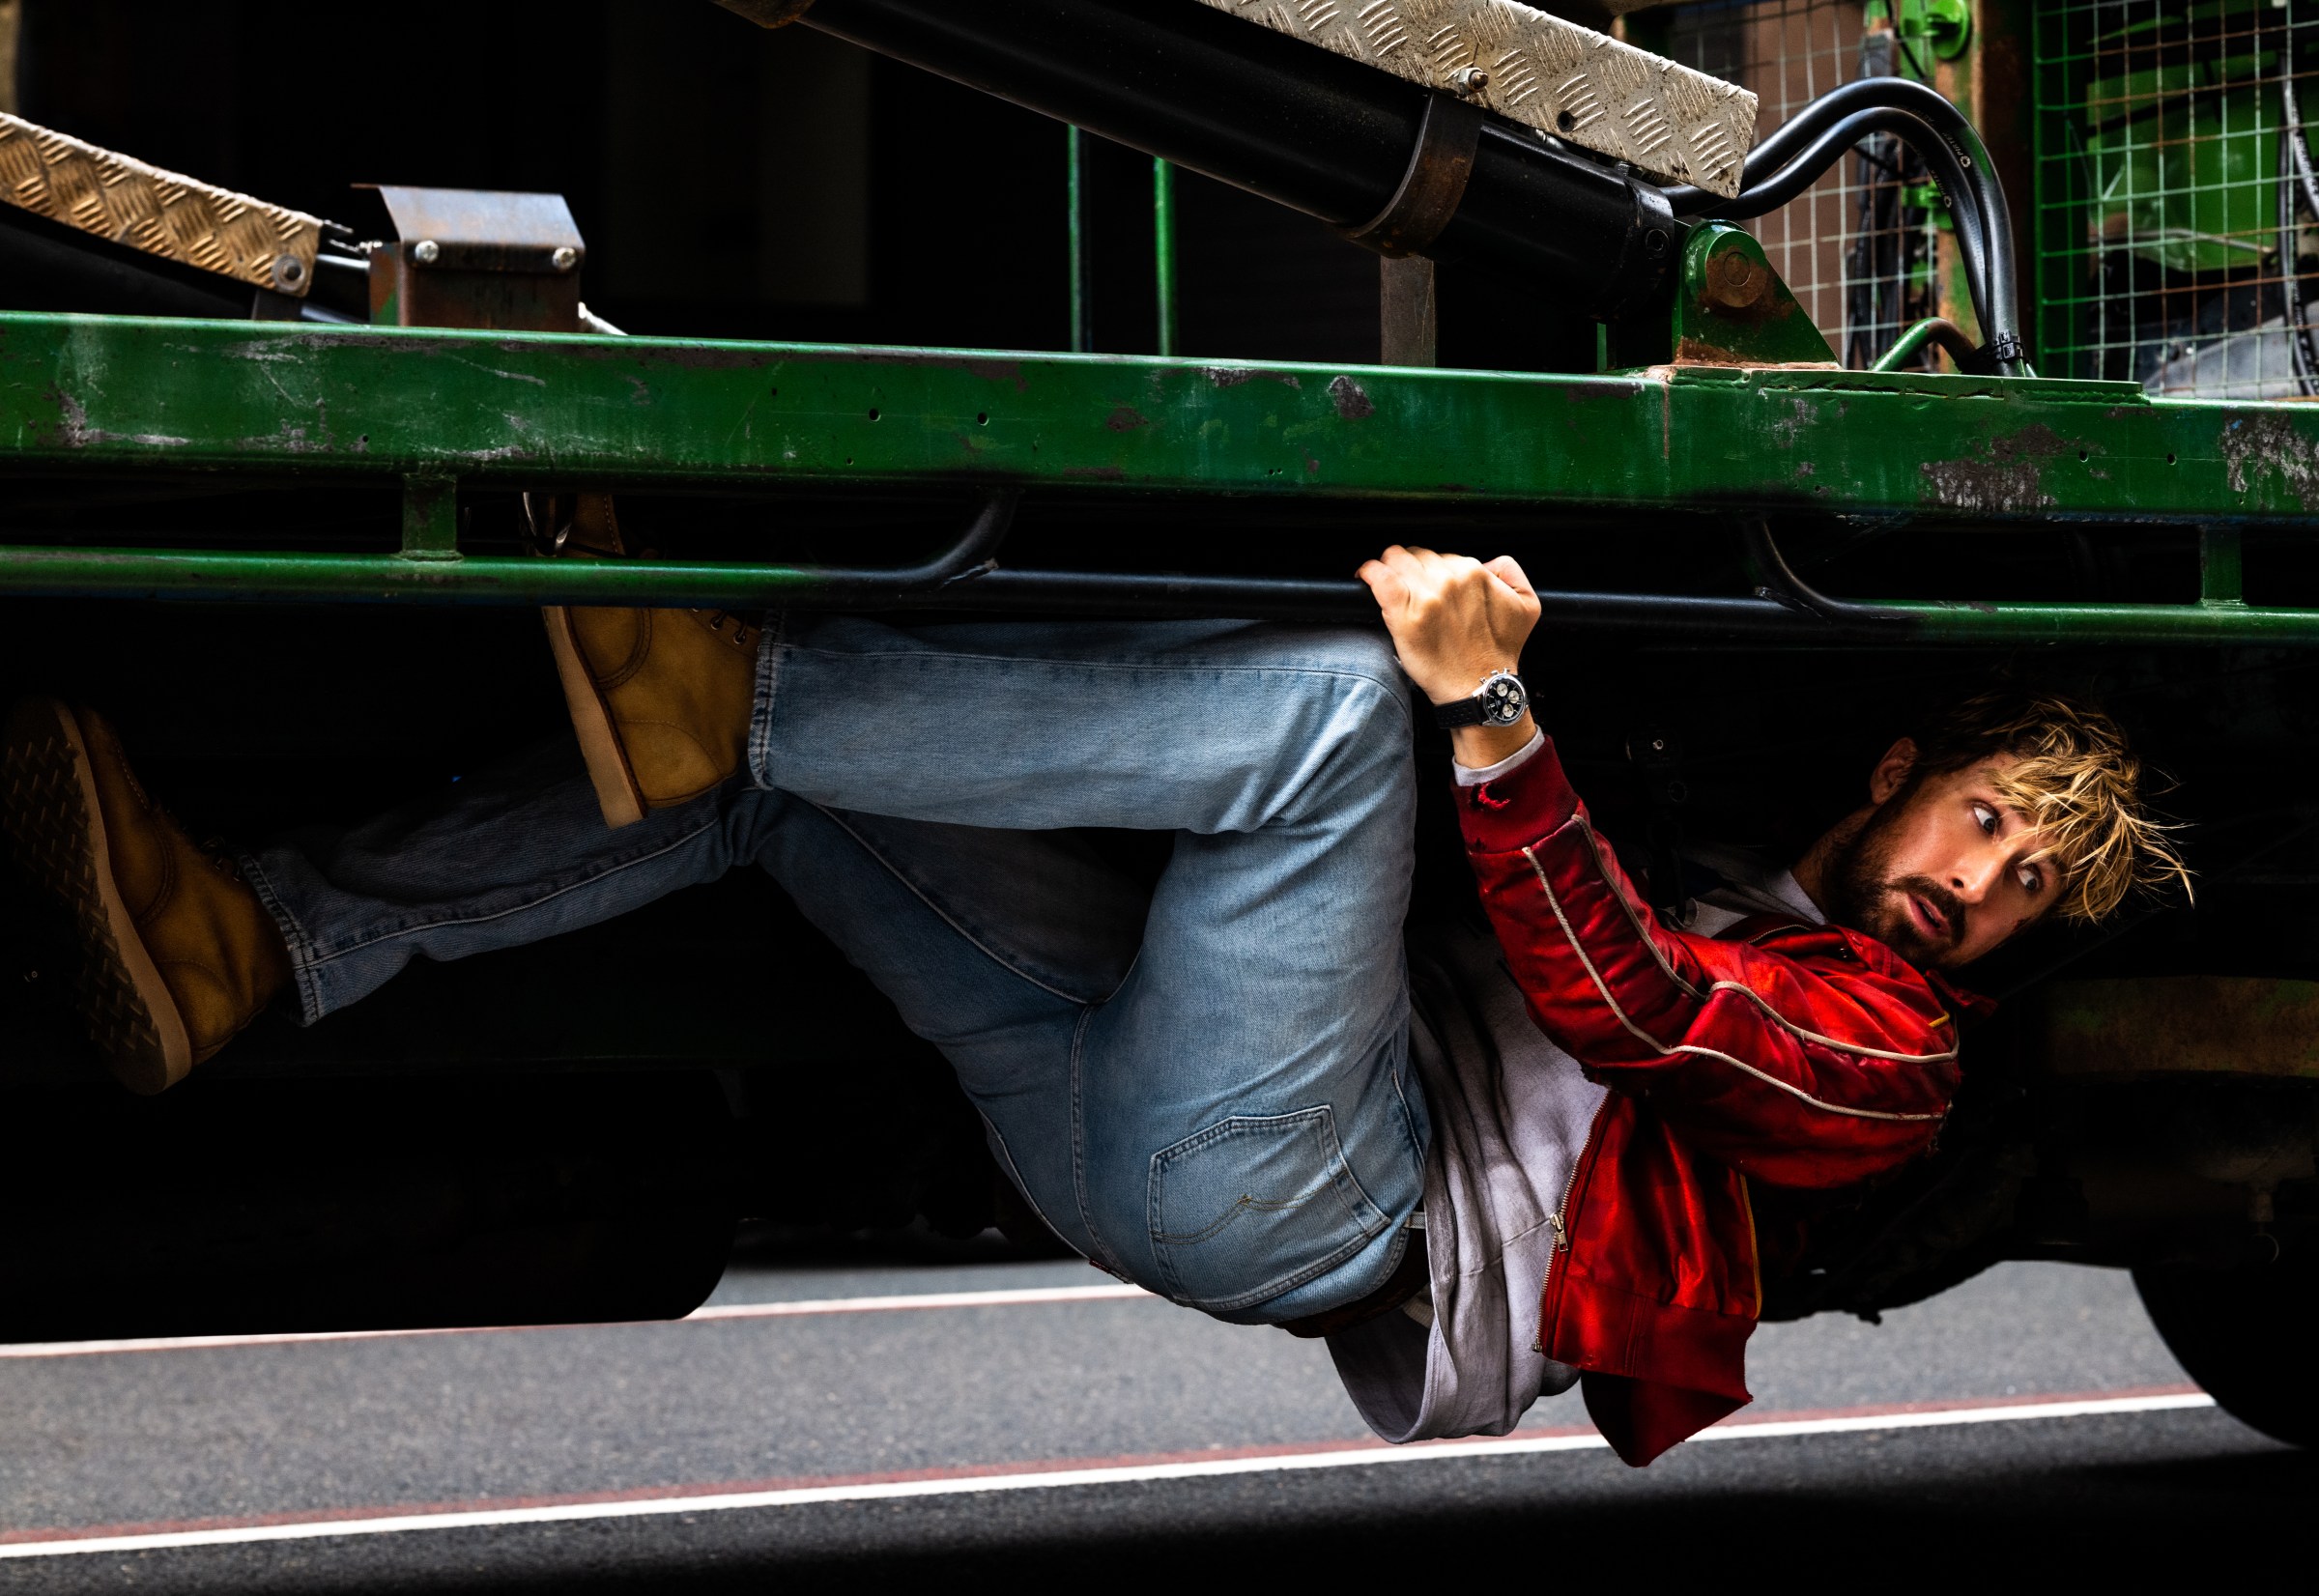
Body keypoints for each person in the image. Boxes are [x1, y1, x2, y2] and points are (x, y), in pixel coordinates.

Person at [0, 511, 2190, 1465]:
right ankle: (263, 943)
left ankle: (746, 697)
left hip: (1316, 1195)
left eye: (2031, 892)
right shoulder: (1739, 860)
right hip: (1146, 1108)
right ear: (1906, 776)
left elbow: (1626, 1005)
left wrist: (1490, 717)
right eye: (1992, 820)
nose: (1982, 889)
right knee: (788, 809)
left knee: (1358, 714)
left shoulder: (1887, 1056)